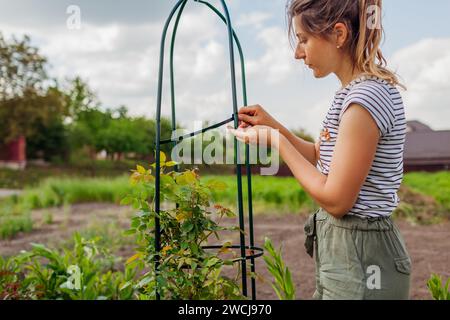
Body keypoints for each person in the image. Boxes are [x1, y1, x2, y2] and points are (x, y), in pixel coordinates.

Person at [227, 0, 411, 300]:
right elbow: (319, 154)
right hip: (350, 251)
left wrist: (278, 143)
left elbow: (337, 200)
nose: (298, 53)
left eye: (303, 40)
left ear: (339, 35)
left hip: (364, 258)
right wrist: (275, 127)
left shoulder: (365, 99)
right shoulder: (352, 93)